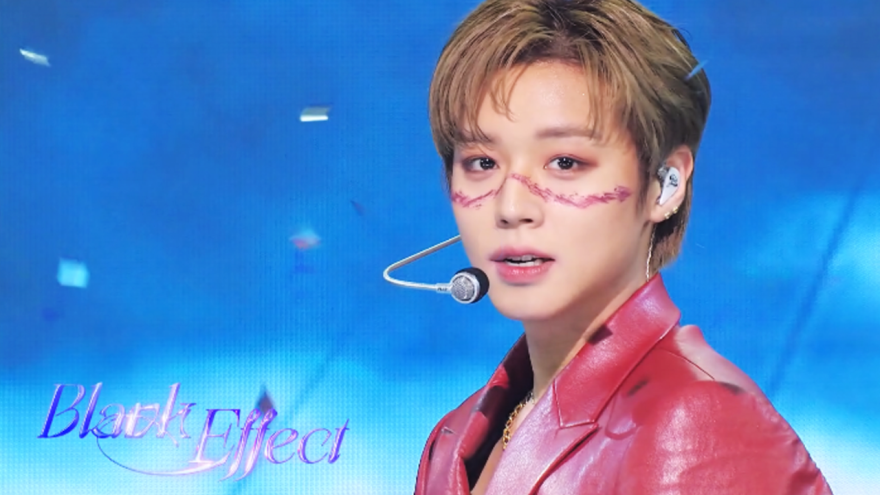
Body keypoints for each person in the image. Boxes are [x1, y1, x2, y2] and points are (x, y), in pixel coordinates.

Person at [412, 0, 833, 494]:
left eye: (565, 162)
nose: (510, 206)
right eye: (482, 163)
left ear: (664, 185)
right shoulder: (456, 436)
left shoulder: (694, 422)